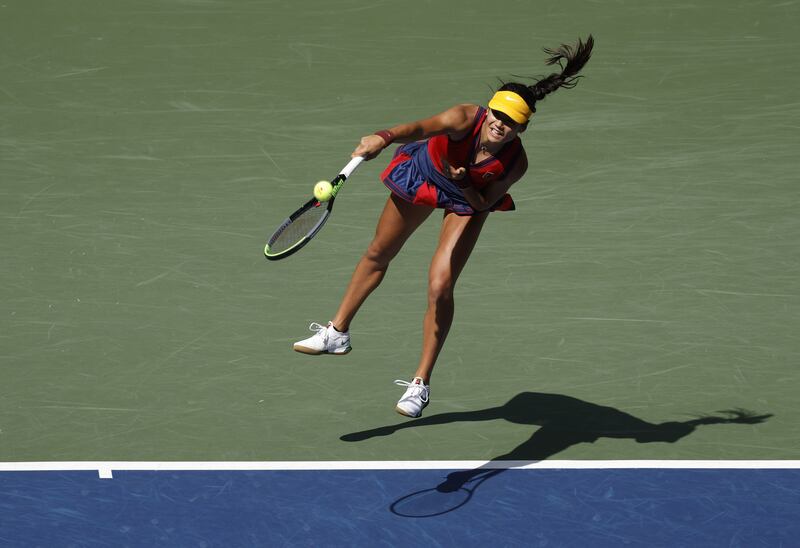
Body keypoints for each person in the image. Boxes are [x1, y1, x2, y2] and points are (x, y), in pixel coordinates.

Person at [294, 36, 594, 418]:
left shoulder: (515, 165)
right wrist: (382, 138)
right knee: (379, 253)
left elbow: (483, 204)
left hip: (468, 201)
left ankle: (420, 383)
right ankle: (337, 333)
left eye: (513, 124)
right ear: (488, 112)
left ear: (522, 129)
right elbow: (419, 128)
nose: (502, 126)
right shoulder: (463, 118)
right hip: (422, 174)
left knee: (440, 285)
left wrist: (466, 181)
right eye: (499, 117)